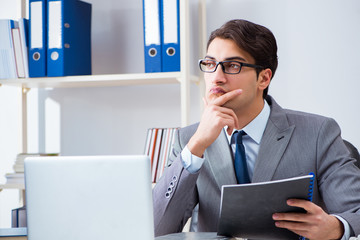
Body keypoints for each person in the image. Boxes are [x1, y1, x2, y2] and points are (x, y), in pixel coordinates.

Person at [152, 19, 360, 239]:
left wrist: (337, 227)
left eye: (232, 66)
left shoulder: (318, 133)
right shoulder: (188, 139)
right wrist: (196, 146)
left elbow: (356, 211)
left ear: (264, 78)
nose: (217, 77)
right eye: (210, 64)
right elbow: (156, 228)